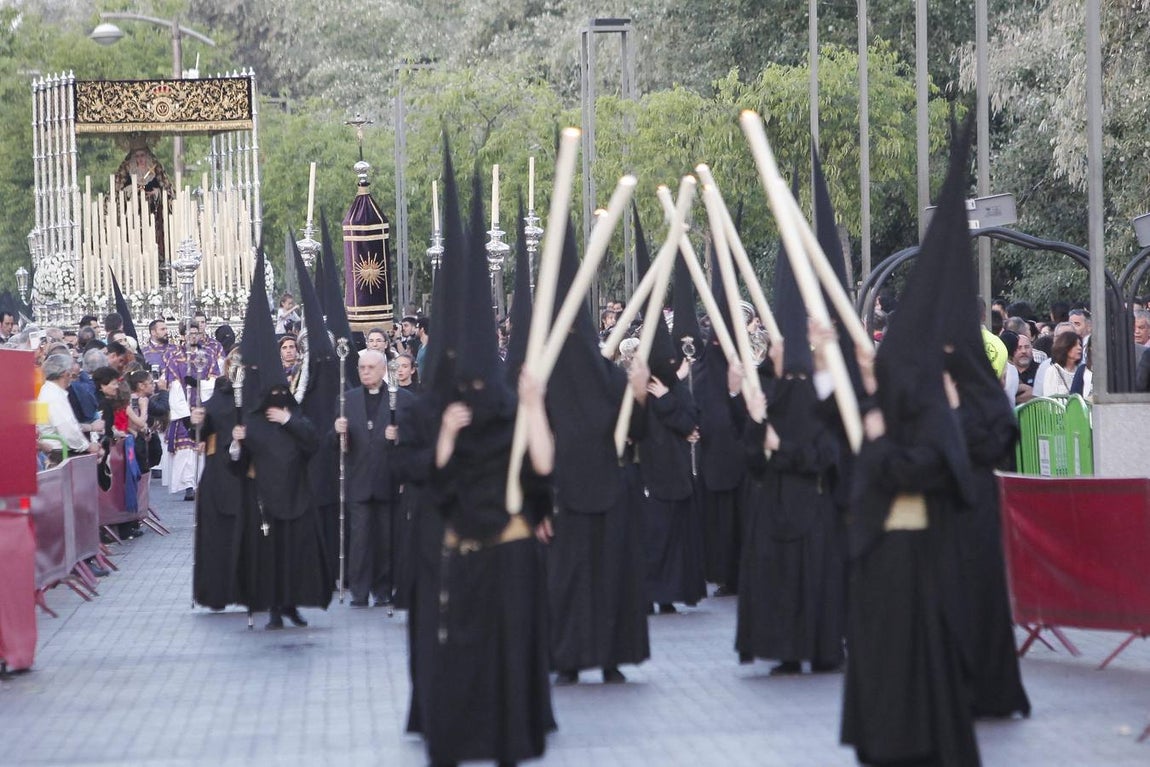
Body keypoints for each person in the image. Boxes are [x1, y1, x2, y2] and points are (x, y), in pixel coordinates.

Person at [330, 349, 414, 608]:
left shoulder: (403, 400)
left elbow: (418, 439)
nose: (365, 372)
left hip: (389, 479)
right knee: (360, 538)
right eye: (361, 368)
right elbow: (336, 444)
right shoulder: (347, 400)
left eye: (370, 367)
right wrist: (338, 432)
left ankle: (384, 588)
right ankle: (359, 590)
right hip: (359, 478)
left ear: (382, 370)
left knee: (387, 538)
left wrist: (399, 437)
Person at [189, 350, 245, 610]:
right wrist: (197, 422)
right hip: (219, 472)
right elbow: (202, 433)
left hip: (249, 473)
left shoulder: (259, 393)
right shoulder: (219, 395)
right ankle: (216, 592)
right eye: (233, 363)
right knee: (216, 535)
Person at [1043, 330, 1083, 396]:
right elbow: (1049, 399)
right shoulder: (1052, 371)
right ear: (1065, 347)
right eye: (1075, 345)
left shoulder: (1082, 371)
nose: (1079, 348)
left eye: (1080, 344)